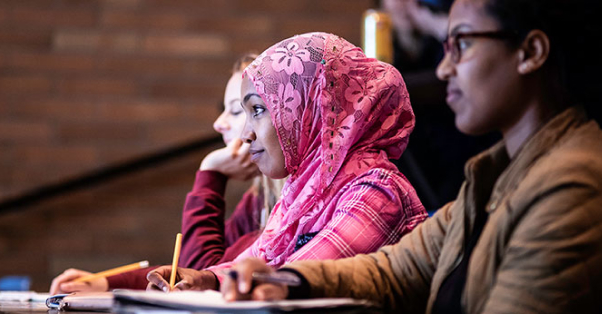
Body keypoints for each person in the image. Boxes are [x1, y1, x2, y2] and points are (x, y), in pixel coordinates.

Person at [222, 0, 602, 313]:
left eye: (463, 44)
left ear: (531, 52)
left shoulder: (569, 185)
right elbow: (396, 269)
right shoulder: (495, 175)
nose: (443, 68)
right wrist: (287, 281)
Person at [146, 32, 428, 292]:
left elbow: (292, 281)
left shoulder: (378, 193)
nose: (246, 134)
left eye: (257, 110)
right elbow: (256, 260)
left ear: (310, 110)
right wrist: (205, 279)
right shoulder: (302, 191)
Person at [49, 54, 285, 294]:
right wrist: (105, 282)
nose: (218, 123)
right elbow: (194, 274)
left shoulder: (293, 204)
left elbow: (202, 278)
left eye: (238, 111)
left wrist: (211, 173)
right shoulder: (258, 200)